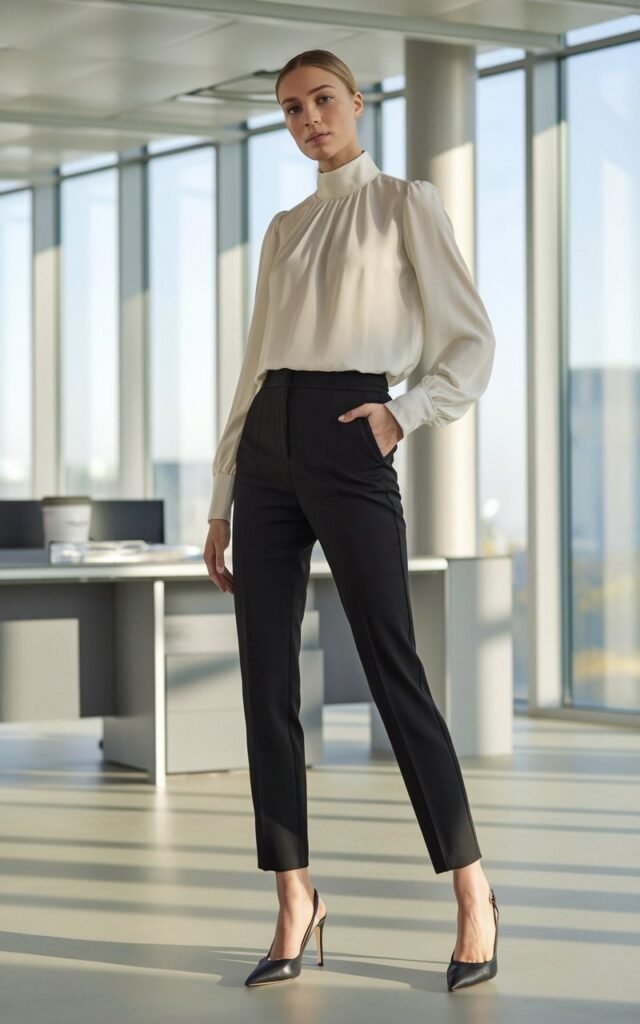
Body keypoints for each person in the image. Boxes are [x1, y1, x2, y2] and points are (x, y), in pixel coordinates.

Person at [203, 49, 500, 992]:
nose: (308, 120)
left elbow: (470, 341)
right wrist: (221, 497)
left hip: (352, 433)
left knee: (391, 666)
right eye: (291, 110)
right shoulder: (285, 228)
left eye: (321, 101)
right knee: (264, 684)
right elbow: (253, 367)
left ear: (357, 103)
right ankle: (294, 895)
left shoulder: (405, 203)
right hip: (270, 453)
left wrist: (401, 414)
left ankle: (472, 890)